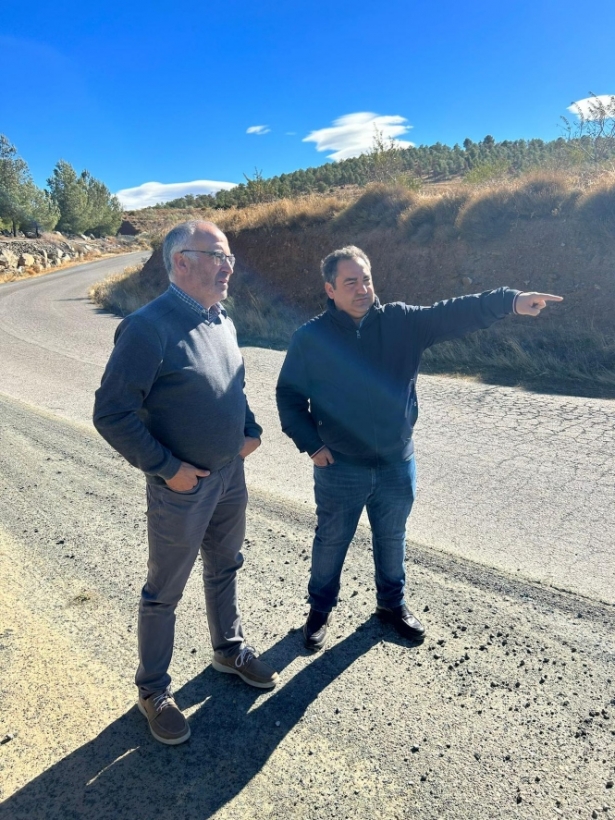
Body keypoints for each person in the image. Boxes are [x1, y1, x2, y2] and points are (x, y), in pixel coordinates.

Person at [276, 245, 562, 651]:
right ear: (330, 289)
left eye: (367, 279)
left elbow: (454, 312)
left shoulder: (401, 322)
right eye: (351, 282)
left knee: (392, 537)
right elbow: (288, 396)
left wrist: (510, 301)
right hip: (340, 466)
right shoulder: (311, 338)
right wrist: (312, 445)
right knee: (331, 541)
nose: (362, 289)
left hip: (397, 462)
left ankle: (391, 607)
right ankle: (319, 612)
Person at [94, 220, 278, 746]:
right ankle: (152, 688)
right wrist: (167, 468)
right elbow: (112, 413)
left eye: (230, 259)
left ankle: (228, 651)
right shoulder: (147, 327)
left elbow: (234, 383)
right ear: (180, 262)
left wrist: (250, 430)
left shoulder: (221, 317)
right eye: (216, 256)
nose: (228, 267)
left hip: (229, 477)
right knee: (163, 591)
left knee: (225, 567)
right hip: (181, 487)